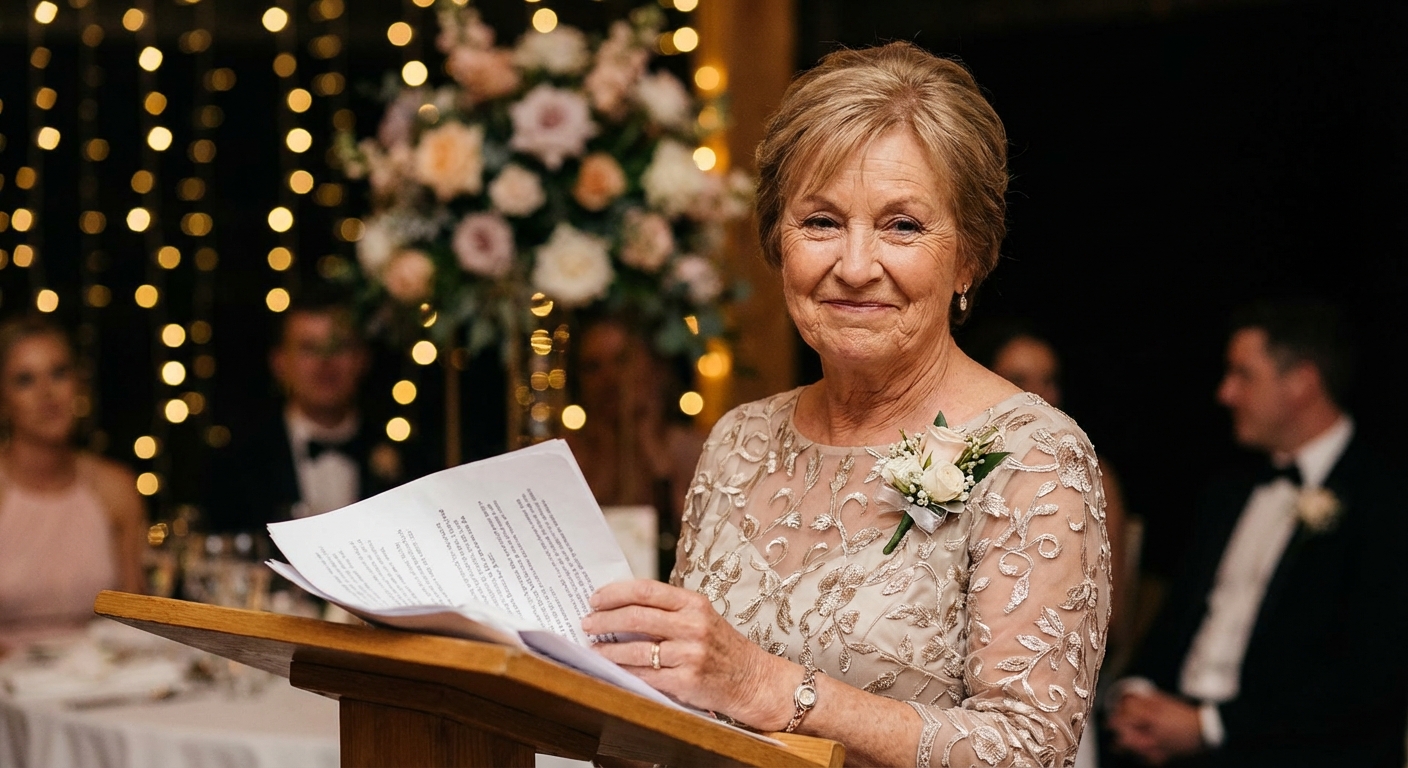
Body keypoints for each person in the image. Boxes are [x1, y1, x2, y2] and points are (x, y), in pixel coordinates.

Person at [581, 42, 1111, 766]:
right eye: (822, 222)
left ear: (968, 258)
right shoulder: (739, 439)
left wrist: (778, 688)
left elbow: (1027, 751)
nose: (855, 268)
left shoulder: (1035, 458)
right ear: (777, 243)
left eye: (902, 226)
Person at [1106, 301, 1407, 767]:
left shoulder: (1383, 501)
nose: (1225, 393)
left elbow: (1370, 678)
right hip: (1171, 744)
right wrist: (1137, 693)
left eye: (1243, 375)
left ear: (1302, 382)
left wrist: (1209, 727)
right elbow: (1176, 618)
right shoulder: (1229, 491)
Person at [974, 323, 1137, 672]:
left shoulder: (1094, 474)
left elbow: (1113, 616)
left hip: (1057, 670)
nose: (1038, 397)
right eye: (1019, 381)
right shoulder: (959, 465)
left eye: (1048, 380)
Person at [205, 292, 417, 533]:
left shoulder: (405, 458)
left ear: (362, 358)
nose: (325, 362)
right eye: (309, 349)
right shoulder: (238, 460)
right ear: (280, 363)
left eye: (338, 346)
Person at [0, 317, 145, 650]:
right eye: (25, 380)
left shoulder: (115, 488)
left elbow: (136, 621)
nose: (47, 394)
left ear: (78, 385)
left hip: (100, 683)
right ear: (4, 399)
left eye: (59, 373)